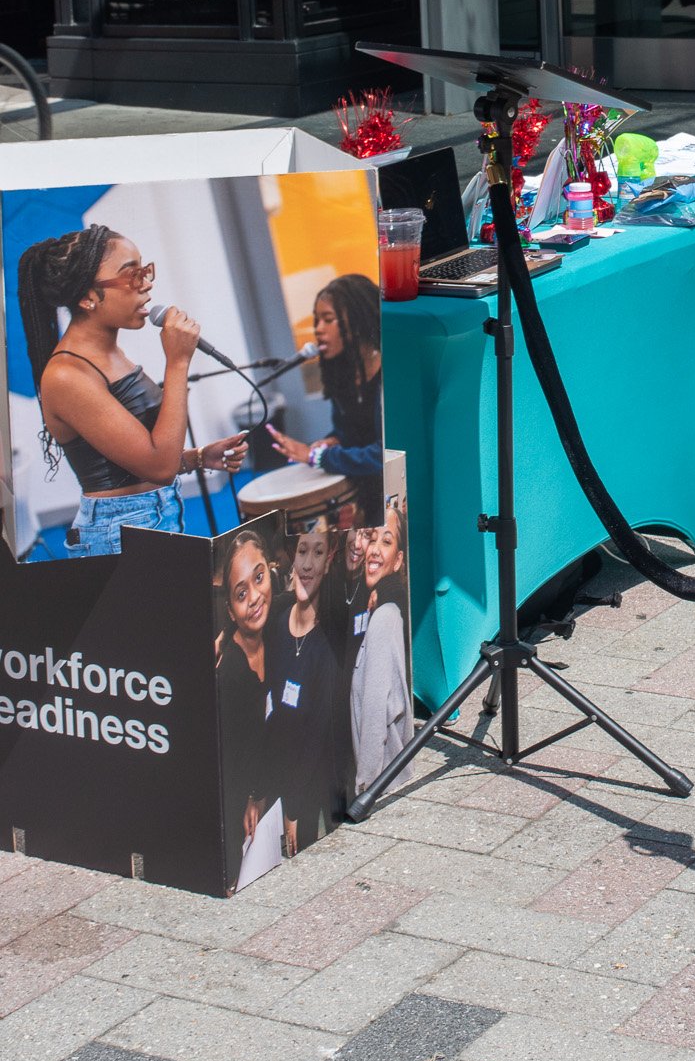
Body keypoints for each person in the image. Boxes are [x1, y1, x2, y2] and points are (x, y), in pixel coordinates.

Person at [16, 226, 246, 558]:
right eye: (131, 275)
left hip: (152, 516)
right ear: (87, 297)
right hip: (117, 535)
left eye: (145, 270)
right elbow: (159, 467)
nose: (147, 284)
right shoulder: (67, 375)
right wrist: (177, 362)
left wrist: (197, 457)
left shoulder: (109, 353)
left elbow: (135, 459)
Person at [266, 275, 382, 508]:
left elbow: (386, 453)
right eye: (316, 320)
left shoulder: (391, 372)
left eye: (328, 320)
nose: (318, 330)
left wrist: (316, 457)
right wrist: (334, 440)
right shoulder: (343, 373)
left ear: (357, 322)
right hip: (367, 486)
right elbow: (353, 433)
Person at [266, 513, 342, 855]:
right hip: (273, 786)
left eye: (318, 552)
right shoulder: (277, 623)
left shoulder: (326, 643)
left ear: (329, 560)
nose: (308, 564)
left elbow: (315, 735)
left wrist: (294, 810)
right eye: (302, 551)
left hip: (308, 795)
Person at [215, 526, 282, 888]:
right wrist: (254, 795)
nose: (255, 597)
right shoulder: (231, 673)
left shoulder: (279, 627)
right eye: (241, 594)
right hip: (242, 809)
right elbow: (234, 760)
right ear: (230, 609)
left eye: (259, 578)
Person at [351, 498, 414, 801]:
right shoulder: (379, 606)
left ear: (399, 560)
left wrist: (365, 786)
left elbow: (376, 713)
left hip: (382, 785)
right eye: (372, 538)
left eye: (386, 542)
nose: (375, 549)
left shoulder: (384, 618)